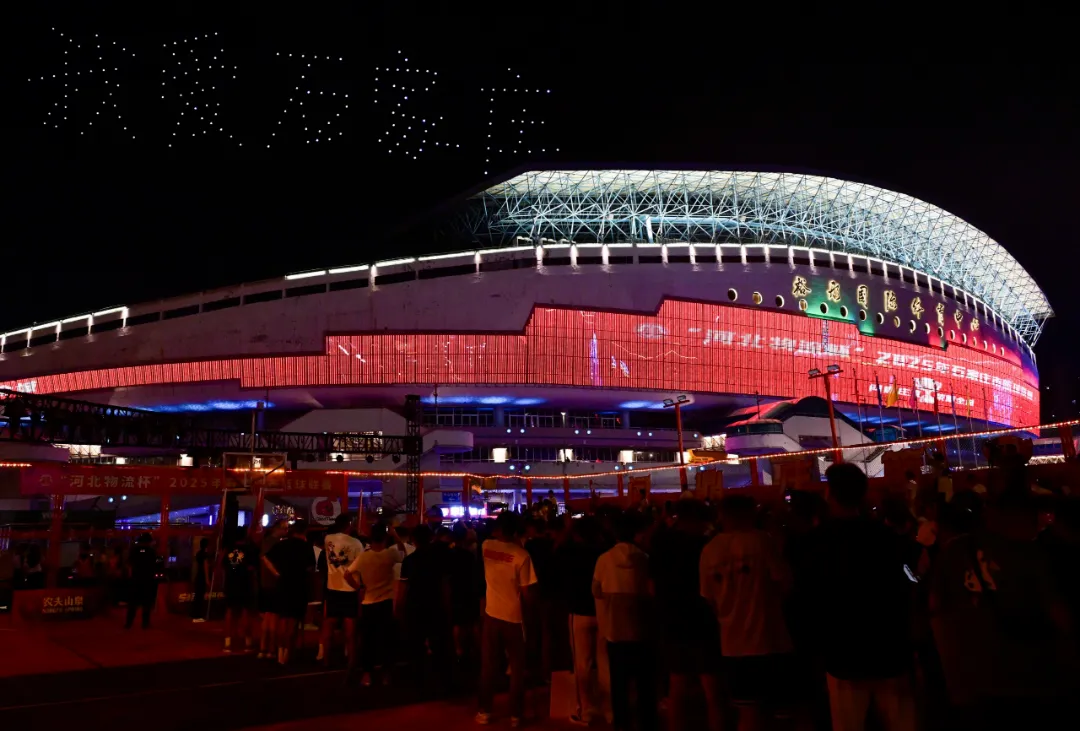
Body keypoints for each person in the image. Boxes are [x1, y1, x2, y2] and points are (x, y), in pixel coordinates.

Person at [930, 487, 1080, 726]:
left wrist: (952, 677)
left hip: (974, 681)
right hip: (1033, 680)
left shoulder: (954, 551)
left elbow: (936, 610)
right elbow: (1060, 616)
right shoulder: (1034, 556)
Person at [803, 463, 916, 731]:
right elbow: (908, 583)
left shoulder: (817, 542)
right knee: (900, 719)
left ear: (830, 494)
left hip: (843, 650)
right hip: (888, 646)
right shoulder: (885, 536)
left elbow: (810, 596)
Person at [700, 494, 793, 731]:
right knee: (781, 713)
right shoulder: (762, 541)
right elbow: (784, 582)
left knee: (748, 712)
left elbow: (708, 598)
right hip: (770, 638)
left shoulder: (710, 550)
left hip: (733, 643)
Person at [653, 500, 725, 731]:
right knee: (713, 690)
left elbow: (652, 585)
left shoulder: (661, 544)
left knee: (677, 687)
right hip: (702, 621)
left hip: (672, 621)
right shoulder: (706, 546)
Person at [593, 511, 656, 731]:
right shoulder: (644, 558)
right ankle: (647, 722)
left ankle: (622, 723)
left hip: (615, 631)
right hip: (642, 630)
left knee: (619, 684)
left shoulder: (604, 559)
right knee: (645, 683)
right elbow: (652, 591)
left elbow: (596, 590)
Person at [477, 511, 538, 727]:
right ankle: (515, 715)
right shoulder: (522, 556)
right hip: (514, 617)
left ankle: (485, 711)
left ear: (498, 529)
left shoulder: (487, 547)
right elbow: (528, 593)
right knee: (517, 668)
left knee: (488, 666)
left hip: (492, 614)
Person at [555, 514, 610, 727]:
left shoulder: (570, 552)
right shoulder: (604, 552)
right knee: (605, 663)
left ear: (577, 534)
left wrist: (567, 529)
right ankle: (610, 710)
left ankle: (585, 710)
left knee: (582, 664)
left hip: (578, 612)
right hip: (603, 612)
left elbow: (556, 551)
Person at [347, 522, 405, 686]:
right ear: (385, 538)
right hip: (385, 603)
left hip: (368, 602)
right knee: (387, 639)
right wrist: (395, 536)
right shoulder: (390, 554)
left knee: (367, 640)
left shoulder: (364, 557)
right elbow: (403, 553)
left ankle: (367, 674)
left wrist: (359, 588)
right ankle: (386, 673)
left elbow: (347, 574)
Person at [399, 524, 453, 695]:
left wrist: (399, 607)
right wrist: (447, 605)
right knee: (439, 645)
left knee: (416, 645)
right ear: (431, 538)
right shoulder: (439, 559)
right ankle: (443, 681)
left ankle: (419, 681)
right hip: (435, 604)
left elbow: (403, 588)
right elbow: (445, 585)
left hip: (415, 606)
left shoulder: (409, 561)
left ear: (414, 540)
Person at [263, 520, 315, 665]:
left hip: (282, 584)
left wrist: (276, 573)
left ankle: (280, 650)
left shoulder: (282, 544)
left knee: (283, 619)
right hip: (298, 586)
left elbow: (266, 558)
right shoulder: (306, 547)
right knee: (293, 621)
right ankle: (287, 652)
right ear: (304, 531)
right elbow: (310, 568)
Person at [319, 514, 364, 668]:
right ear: (349, 524)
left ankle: (326, 660)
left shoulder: (328, 539)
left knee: (329, 625)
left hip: (332, 588)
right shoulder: (356, 543)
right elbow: (360, 565)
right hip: (350, 589)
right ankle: (351, 661)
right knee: (350, 628)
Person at [449, 521, 482, 669]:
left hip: (456, 590)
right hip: (469, 590)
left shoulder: (450, 554)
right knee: (472, 622)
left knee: (457, 623)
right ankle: (476, 650)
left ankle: (459, 650)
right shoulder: (470, 555)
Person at [222, 528, 258, 653]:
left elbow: (223, 567)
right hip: (245, 584)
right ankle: (248, 642)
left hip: (231, 584)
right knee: (246, 613)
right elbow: (252, 568)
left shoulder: (228, 549)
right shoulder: (249, 550)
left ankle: (228, 642)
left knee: (230, 612)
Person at [257, 519, 288, 659]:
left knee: (267, 616)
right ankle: (270, 648)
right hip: (273, 583)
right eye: (285, 528)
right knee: (273, 617)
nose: (286, 531)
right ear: (278, 528)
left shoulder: (267, 541)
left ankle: (263, 647)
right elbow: (265, 559)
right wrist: (277, 574)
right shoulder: (275, 543)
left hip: (266, 583)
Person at [125, 533, 159, 629]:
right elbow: (155, 564)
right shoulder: (151, 551)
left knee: (133, 602)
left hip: (136, 579)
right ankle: (145, 623)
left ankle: (129, 623)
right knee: (146, 602)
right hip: (147, 580)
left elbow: (129, 563)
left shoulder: (134, 550)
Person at [191, 538, 211, 622]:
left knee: (197, 595)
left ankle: (195, 613)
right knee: (200, 596)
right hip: (202, 576)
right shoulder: (205, 555)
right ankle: (198, 615)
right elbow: (205, 566)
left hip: (198, 575)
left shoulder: (198, 553)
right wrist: (207, 579)